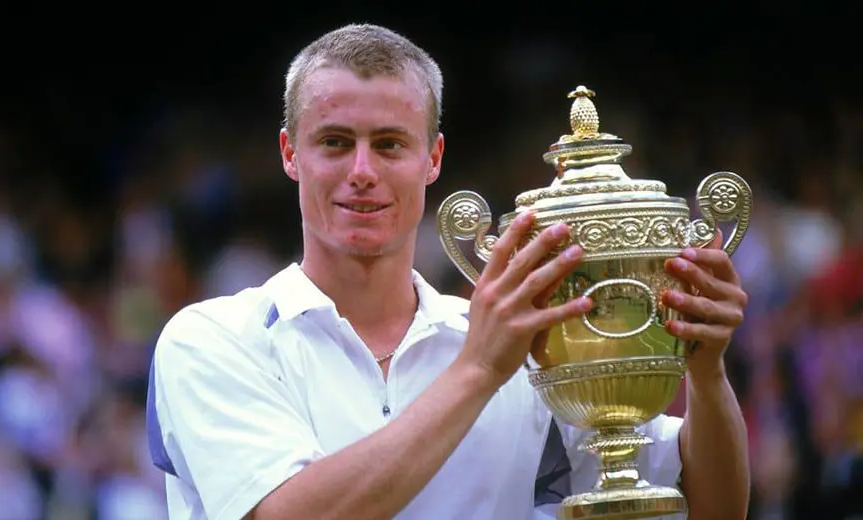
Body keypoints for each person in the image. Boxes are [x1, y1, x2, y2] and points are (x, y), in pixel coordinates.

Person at [146, 23, 751, 520]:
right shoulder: (212, 339)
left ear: (432, 159)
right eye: (334, 142)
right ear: (289, 153)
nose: (362, 170)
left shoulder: (520, 339)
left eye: (389, 144)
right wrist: (480, 369)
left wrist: (704, 370)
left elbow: (711, 509)